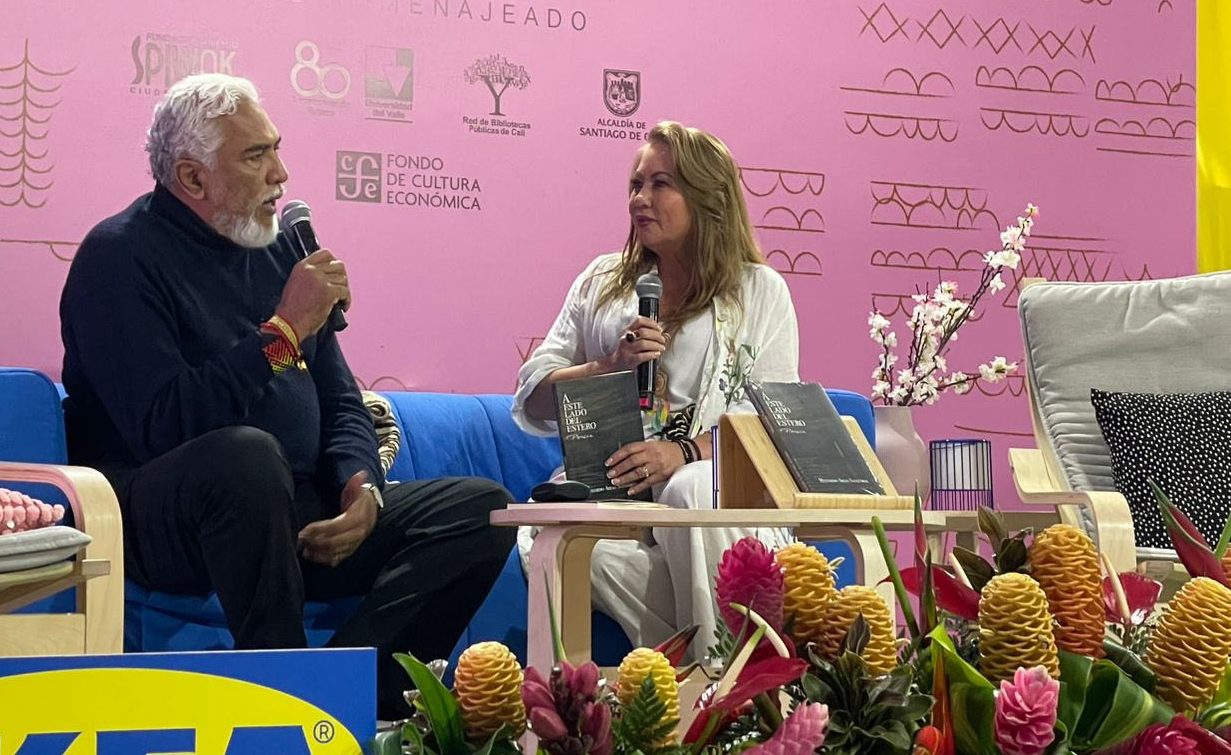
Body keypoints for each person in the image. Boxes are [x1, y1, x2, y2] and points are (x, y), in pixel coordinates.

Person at [60, 73, 514, 720]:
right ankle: (282, 702)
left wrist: (361, 486)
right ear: (192, 178)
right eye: (256, 156)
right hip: (164, 514)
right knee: (246, 457)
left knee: (480, 509)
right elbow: (165, 425)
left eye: (276, 148)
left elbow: (341, 399)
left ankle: (340, 696)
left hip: (289, 508)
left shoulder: (277, 249)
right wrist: (284, 333)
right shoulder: (117, 259)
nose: (281, 173)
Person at [512, 122, 799, 651]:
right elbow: (533, 395)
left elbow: (768, 420)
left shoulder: (760, 291)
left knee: (693, 489)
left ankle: (715, 677)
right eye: (635, 184)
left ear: (707, 197)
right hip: (615, 493)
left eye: (660, 184)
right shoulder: (601, 282)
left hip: (711, 487)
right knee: (564, 542)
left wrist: (683, 453)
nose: (639, 199)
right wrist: (609, 366)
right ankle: (732, 671)